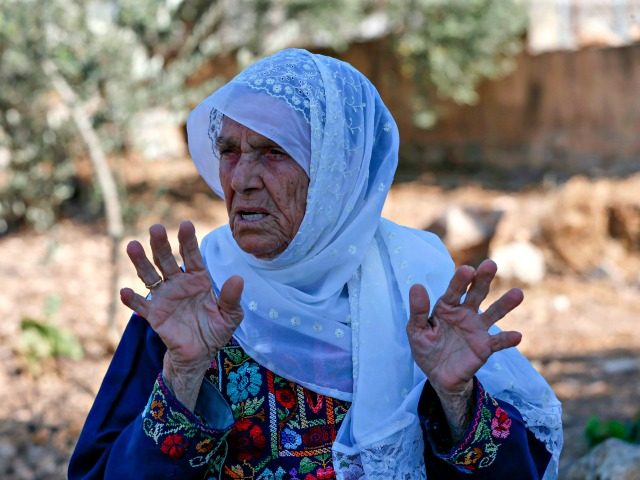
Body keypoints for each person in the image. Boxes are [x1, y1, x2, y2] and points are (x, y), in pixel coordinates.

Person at [69, 48, 562, 479]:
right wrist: (182, 376)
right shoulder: (192, 298)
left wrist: (457, 399)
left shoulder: (417, 288)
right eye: (229, 151)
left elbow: (522, 470)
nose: (241, 178)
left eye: (273, 152)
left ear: (335, 171)